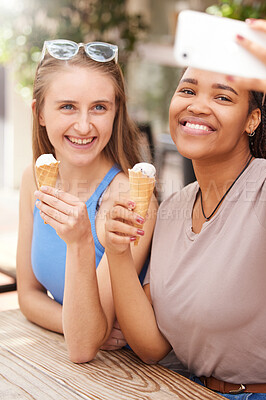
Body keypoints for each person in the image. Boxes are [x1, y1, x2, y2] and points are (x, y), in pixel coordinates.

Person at [104, 19, 266, 398]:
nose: (198, 105)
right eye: (187, 90)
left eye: (223, 97)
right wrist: (117, 252)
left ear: (252, 120)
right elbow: (152, 346)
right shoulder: (173, 209)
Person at [16, 40, 158, 363]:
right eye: (67, 106)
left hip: (127, 377)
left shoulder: (131, 202)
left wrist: (80, 240)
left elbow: (83, 347)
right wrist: (81, 325)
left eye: (99, 107)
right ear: (39, 113)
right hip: (55, 367)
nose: (83, 125)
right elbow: (27, 296)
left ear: (116, 112)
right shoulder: (33, 179)